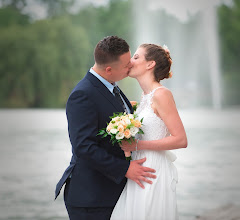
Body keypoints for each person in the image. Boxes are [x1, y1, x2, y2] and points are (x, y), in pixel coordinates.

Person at [54, 36, 156, 220]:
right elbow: (84, 147)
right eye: (126, 64)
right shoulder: (83, 95)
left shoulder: (111, 86)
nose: (131, 66)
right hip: (91, 198)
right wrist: (124, 169)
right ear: (109, 69)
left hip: (111, 192)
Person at [110, 43, 188, 220]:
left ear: (150, 64)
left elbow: (181, 139)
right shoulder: (144, 97)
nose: (130, 61)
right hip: (138, 168)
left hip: (153, 169)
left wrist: (137, 145)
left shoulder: (161, 94)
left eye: (136, 57)